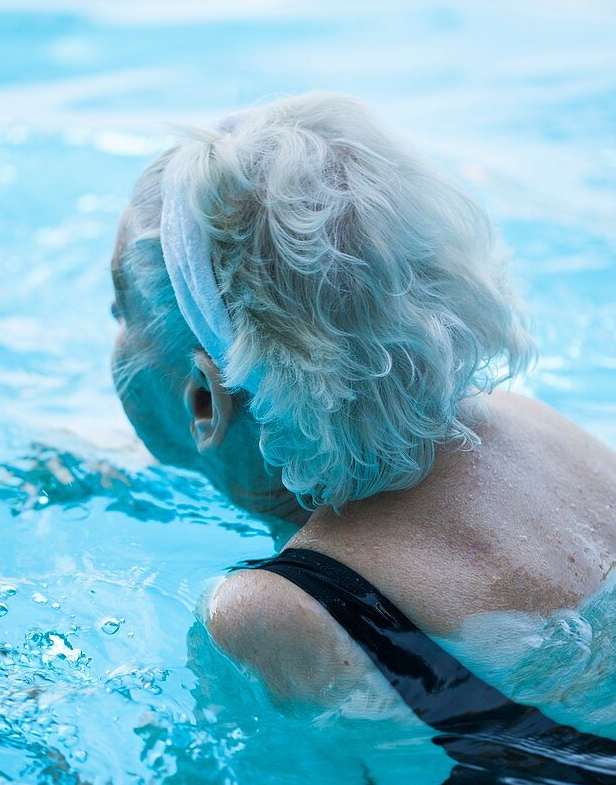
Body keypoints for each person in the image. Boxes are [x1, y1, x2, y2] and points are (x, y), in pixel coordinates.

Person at [111, 91, 616, 716]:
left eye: (117, 313)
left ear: (205, 404)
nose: (114, 336)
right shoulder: (529, 425)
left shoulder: (272, 616)